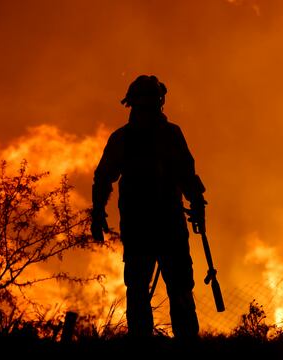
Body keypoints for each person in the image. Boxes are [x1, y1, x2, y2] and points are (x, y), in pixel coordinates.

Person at [91, 75, 206, 340]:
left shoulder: (139, 137)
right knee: (168, 290)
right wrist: (197, 205)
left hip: (148, 226)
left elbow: (187, 176)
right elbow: (188, 177)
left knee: (158, 290)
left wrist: (98, 214)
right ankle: (178, 345)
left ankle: (155, 346)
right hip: (156, 226)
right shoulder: (160, 135)